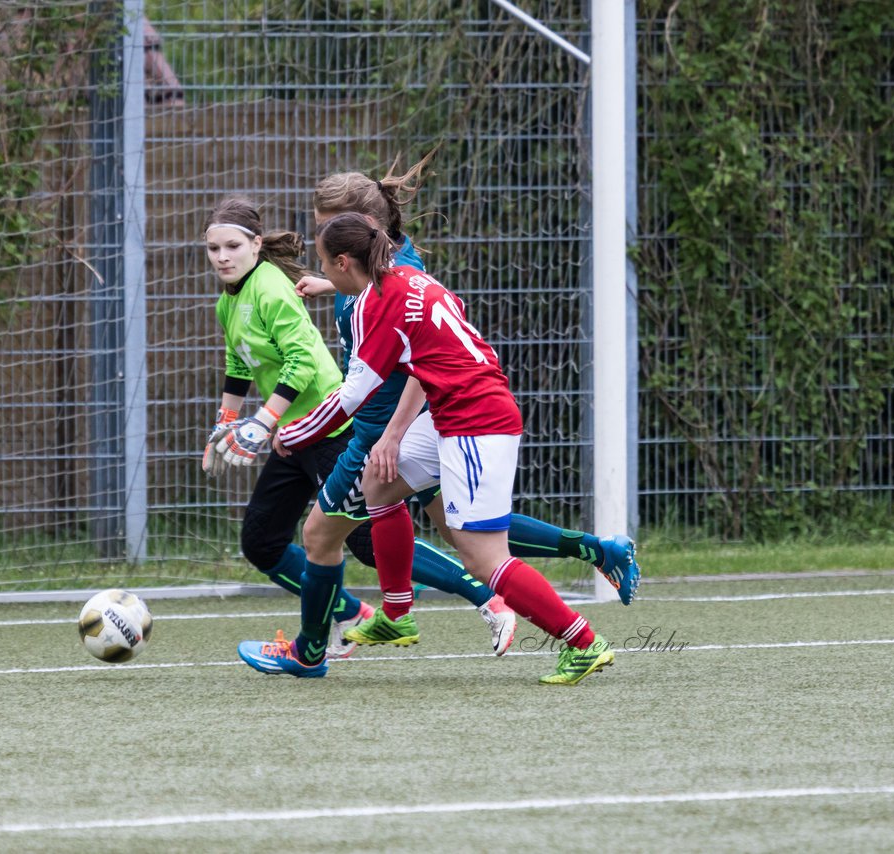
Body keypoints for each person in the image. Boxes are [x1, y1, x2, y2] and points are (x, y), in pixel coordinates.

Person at [244, 213, 616, 685]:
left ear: (342, 262)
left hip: (475, 423)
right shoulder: (408, 276)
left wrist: (287, 435)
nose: (322, 273)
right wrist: (393, 433)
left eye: (323, 263)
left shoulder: (374, 307)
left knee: (484, 559)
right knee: (379, 479)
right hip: (452, 411)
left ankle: (583, 643)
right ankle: (398, 611)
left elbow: (352, 397)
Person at [200, 197, 379, 658]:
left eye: (232, 246)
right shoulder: (228, 301)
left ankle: (488, 591)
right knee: (262, 542)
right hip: (290, 434)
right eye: (213, 248)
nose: (222, 256)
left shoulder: (270, 288)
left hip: (329, 425)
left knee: (368, 542)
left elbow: (300, 362)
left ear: (256, 244)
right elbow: (237, 362)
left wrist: (261, 421)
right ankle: (349, 614)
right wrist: (225, 423)